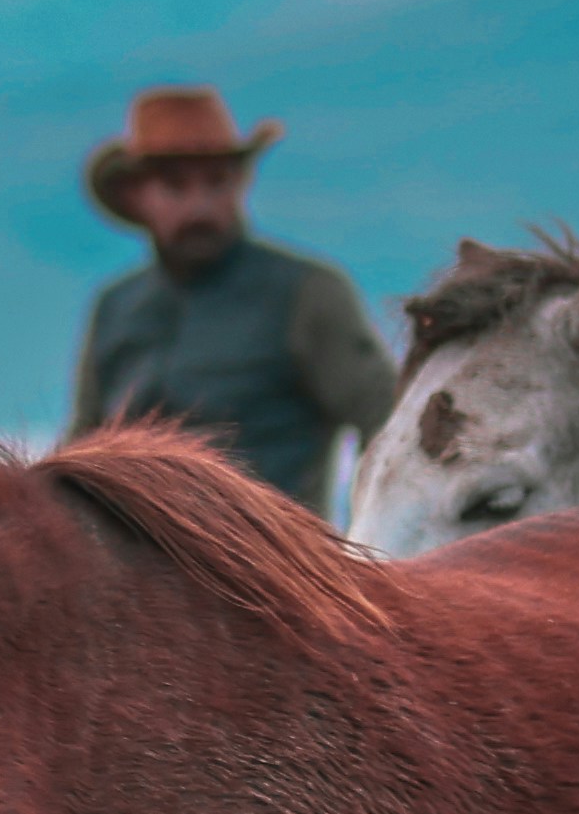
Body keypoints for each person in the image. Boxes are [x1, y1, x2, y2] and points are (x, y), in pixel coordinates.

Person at [62, 82, 392, 512]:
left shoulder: (306, 293)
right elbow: (82, 448)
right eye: (175, 187)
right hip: (130, 566)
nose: (200, 206)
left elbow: (385, 421)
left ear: (239, 184)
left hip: (269, 567)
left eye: (216, 183)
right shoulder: (116, 307)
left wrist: (370, 540)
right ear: (138, 196)